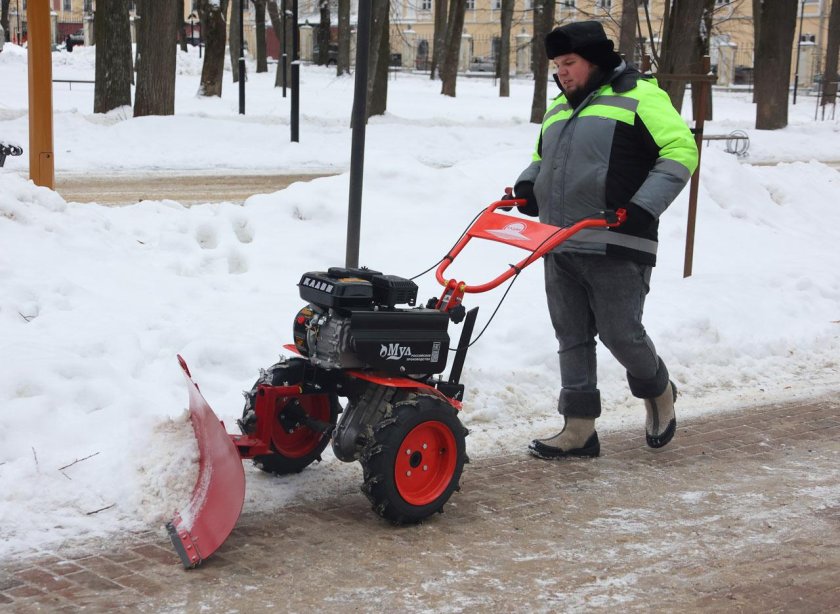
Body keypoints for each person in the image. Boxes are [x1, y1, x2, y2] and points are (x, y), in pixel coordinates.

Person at [510, 21, 698, 459]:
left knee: (621, 334)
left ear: (595, 61)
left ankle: (658, 389)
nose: (561, 73)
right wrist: (528, 184)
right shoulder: (560, 107)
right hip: (560, 240)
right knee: (571, 336)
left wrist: (643, 207)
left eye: (569, 63)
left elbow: (680, 151)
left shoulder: (640, 95)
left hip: (618, 239)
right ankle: (578, 429)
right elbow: (542, 157)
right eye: (557, 65)